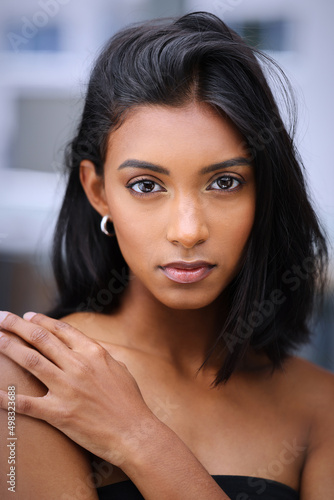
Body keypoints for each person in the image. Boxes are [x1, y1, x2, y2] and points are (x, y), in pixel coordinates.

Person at [0, 10, 333, 500]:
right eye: (146, 185)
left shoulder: (319, 405)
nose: (188, 230)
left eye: (224, 182)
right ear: (98, 192)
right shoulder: (37, 375)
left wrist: (140, 439)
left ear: (263, 193)